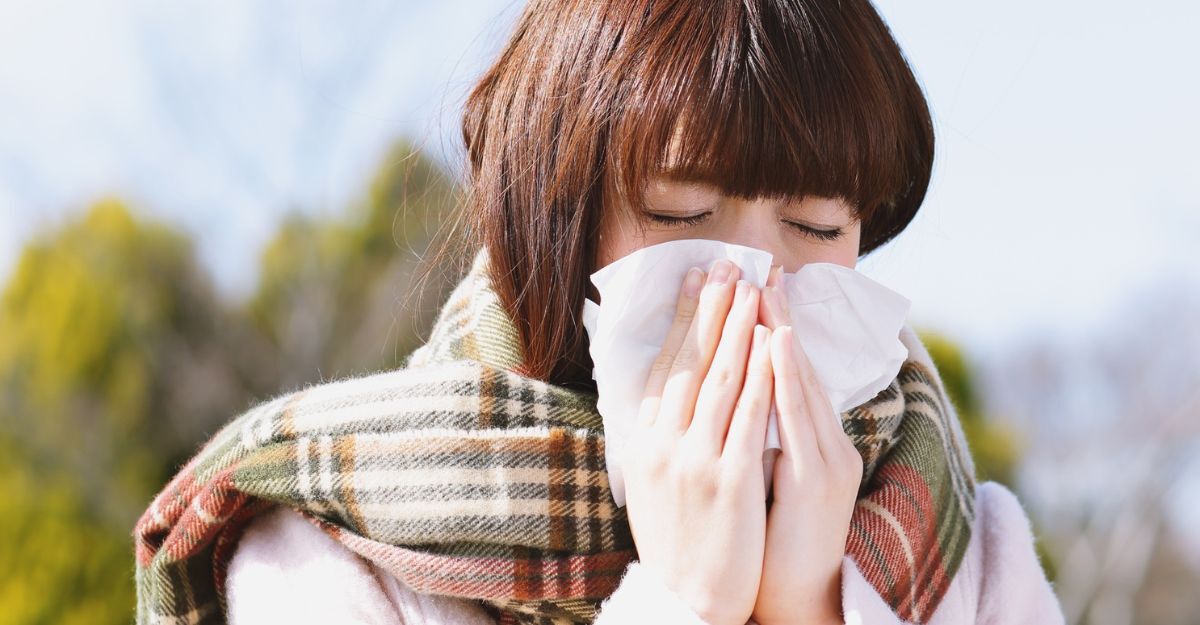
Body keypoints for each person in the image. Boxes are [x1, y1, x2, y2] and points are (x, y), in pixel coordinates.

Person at [134, 1, 1068, 624]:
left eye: (816, 223)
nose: (751, 287)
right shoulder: (329, 555)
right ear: (555, 213)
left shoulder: (961, 545)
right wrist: (683, 595)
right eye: (677, 214)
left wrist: (815, 606)